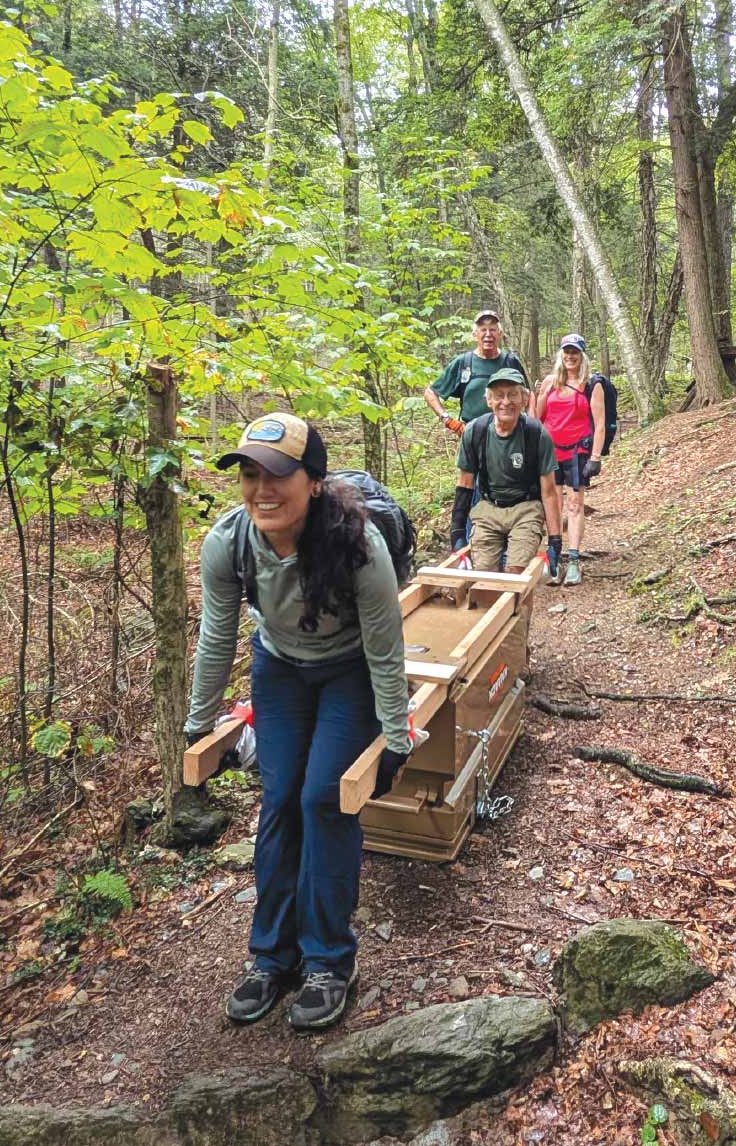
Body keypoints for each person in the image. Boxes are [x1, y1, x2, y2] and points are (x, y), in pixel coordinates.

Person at [185, 412, 414, 1032]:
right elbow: (215, 637)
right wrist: (197, 723)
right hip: (280, 669)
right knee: (281, 799)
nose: (263, 489)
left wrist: (395, 737)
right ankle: (271, 957)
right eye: (251, 474)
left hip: (349, 672)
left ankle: (329, 963)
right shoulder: (228, 542)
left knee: (324, 800)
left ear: (313, 480)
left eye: (278, 475)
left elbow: (386, 647)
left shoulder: (356, 544)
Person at [449, 368, 563, 577]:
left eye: (513, 394)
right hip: (488, 507)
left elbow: (549, 492)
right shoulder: (475, 432)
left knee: (516, 575)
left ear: (524, 399)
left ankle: (519, 608)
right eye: (499, 395)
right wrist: (457, 532)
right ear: (489, 400)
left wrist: (555, 542)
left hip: (526, 508)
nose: (506, 402)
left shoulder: (537, 435)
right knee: (483, 578)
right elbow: (465, 484)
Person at [532, 333, 605, 586]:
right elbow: (536, 418)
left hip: (577, 452)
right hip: (550, 452)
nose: (570, 356)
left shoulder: (591, 384)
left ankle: (573, 560)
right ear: (560, 355)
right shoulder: (551, 382)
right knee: (551, 504)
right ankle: (554, 558)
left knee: (574, 504)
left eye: (575, 352)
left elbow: (600, 422)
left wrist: (595, 457)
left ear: (582, 355)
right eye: (566, 351)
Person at [424, 309, 527, 437]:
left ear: (500, 334)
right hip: (472, 435)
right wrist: (447, 420)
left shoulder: (510, 361)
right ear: (475, 335)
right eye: (483, 330)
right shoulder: (464, 362)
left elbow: (528, 394)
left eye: (493, 330)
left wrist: (531, 425)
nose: (488, 334)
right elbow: (430, 393)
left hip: (508, 435)